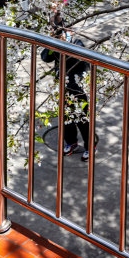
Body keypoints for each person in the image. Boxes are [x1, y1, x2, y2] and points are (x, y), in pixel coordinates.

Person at [41, 27, 95, 162]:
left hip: (77, 89)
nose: (63, 35)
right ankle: (71, 142)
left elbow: (77, 57)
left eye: (66, 32)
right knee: (66, 119)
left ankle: (90, 146)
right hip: (63, 89)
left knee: (82, 119)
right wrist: (51, 43)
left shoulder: (77, 44)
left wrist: (66, 43)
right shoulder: (56, 46)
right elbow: (45, 57)